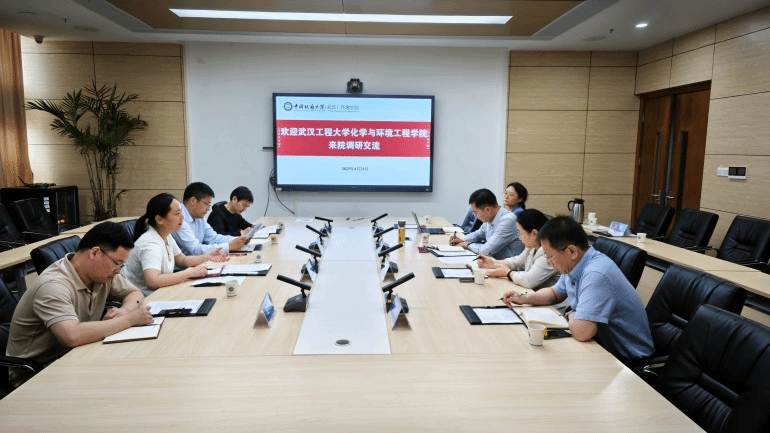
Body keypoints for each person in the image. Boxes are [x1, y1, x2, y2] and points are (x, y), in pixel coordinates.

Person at [6, 222, 154, 387]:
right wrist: (129, 319)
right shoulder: (53, 285)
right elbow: (72, 336)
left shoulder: (102, 274)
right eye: (117, 263)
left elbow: (134, 293)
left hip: (79, 355)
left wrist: (124, 311)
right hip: (37, 374)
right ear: (95, 253)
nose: (118, 270)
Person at [503, 216, 654, 366]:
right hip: (600, 346)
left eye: (550, 256)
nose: (548, 262)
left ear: (571, 251)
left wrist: (570, 313)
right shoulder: (576, 263)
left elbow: (583, 332)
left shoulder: (595, 274)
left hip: (627, 360)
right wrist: (524, 298)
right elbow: (555, 293)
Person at [122, 193, 229, 297]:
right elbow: (153, 281)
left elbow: (182, 260)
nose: (183, 217)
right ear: (159, 219)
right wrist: (190, 273)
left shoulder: (166, 235)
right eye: (177, 213)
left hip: (163, 292)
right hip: (148, 299)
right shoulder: (150, 243)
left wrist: (208, 257)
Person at [477, 209, 559, 290]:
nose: (519, 237)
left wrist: (508, 273)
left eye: (521, 233)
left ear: (534, 233)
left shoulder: (549, 252)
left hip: (547, 298)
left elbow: (529, 281)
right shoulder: (531, 246)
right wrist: (493, 263)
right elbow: (516, 262)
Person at [171, 182, 247, 256]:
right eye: (206, 204)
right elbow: (195, 250)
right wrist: (229, 246)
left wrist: (239, 240)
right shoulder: (179, 218)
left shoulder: (199, 217)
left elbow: (213, 238)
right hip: (186, 263)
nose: (208, 209)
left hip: (199, 261)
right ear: (193, 201)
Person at [449, 188, 522, 259]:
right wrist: (462, 240)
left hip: (507, 265)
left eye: (476, 213)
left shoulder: (508, 220)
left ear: (487, 210)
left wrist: (468, 245)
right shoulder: (490, 217)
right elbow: (478, 234)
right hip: (493, 261)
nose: (475, 216)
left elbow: (485, 251)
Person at [458, 182, 527, 234]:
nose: (506, 197)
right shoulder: (511, 210)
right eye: (505, 193)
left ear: (520, 199)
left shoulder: (517, 212)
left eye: (511, 195)